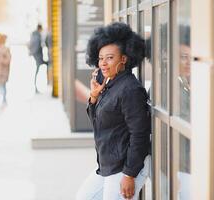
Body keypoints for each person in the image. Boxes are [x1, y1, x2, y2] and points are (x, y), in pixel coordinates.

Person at [76, 22, 151, 200]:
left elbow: (139, 134)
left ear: (124, 59)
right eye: (101, 58)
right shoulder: (110, 84)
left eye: (110, 58)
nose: (103, 63)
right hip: (108, 165)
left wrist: (129, 174)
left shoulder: (130, 89)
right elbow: (98, 121)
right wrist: (94, 97)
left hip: (126, 167)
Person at [29, 24, 47, 93]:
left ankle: (36, 88)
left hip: (35, 56)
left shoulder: (34, 35)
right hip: (37, 56)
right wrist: (39, 58)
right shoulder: (37, 36)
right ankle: (36, 88)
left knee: (36, 72)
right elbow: (36, 47)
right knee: (36, 72)